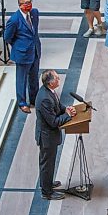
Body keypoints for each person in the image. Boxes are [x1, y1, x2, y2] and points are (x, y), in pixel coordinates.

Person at [35, 70, 76, 200]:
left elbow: (57, 106)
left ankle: (48, 183)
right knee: (47, 164)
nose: (59, 80)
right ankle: (46, 192)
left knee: (50, 163)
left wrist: (66, 109)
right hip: (46, 137)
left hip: (50, 136)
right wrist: (67, 116)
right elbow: (53, 122)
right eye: (57, 78)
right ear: (51, 83)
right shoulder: (44, 99)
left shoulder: (49, 92)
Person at [4, 0, 42, 114]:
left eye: (29, 1)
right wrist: (19, 46)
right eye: (25, 3)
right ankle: (22, 102)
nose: (28, 4)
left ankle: (34, 99)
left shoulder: (34, 13)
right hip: (22, 54)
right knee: (21, 79)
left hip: (35, 50)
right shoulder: (14, 19)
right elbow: (7, 37)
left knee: (34, 77)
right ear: (20, 5)